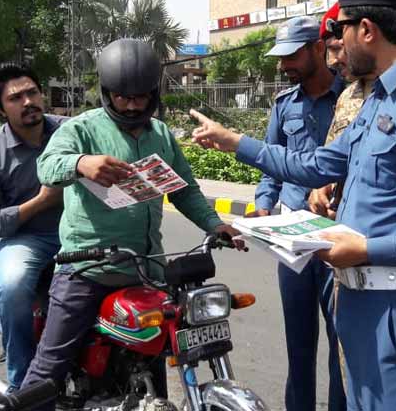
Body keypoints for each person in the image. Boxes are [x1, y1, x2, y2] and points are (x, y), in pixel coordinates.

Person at [188, 0, 396, 411]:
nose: (337, 44)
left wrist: (368, 247)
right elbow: (320, 163)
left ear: (368, 31)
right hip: (359, 300)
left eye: (340, 31)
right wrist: (234, 142)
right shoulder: (381, 96)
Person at [20, 38, 243, 408]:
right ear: (107, 93)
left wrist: (214, 225)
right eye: (123, 97)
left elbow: (184, 189)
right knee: (50, 367)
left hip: (147, 272)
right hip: (87, 269)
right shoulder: (82, 130)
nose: (132, 104)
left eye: (141, 97)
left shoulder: (161, 134)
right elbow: (46, 165)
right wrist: (80, 163)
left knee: (155, 364)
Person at [249, 15, 346, 411]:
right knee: (298, 344)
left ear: (318, 49)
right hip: (292, 238)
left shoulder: (352, 99)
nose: (283, 65)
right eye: (281, 58)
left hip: (337, 233)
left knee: (341, 344)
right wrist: (262, 204)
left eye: (292, 55)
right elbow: (271, 163)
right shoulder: (283, 104)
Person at [0, 62, 69, 391]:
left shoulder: (71, 132)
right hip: (25, 239)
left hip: (80, 231)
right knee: (12, 288)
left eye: (32, 92)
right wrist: (41, 202)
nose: (27, 102)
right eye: (16, 98)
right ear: (1, 109)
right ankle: (22, 386)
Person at [307, 2, 374, 219]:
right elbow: (332, 157)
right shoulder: (348, 96)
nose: (332, 61)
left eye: (337, 48)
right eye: (329, 51)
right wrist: (321, 187)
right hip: (343, 224)